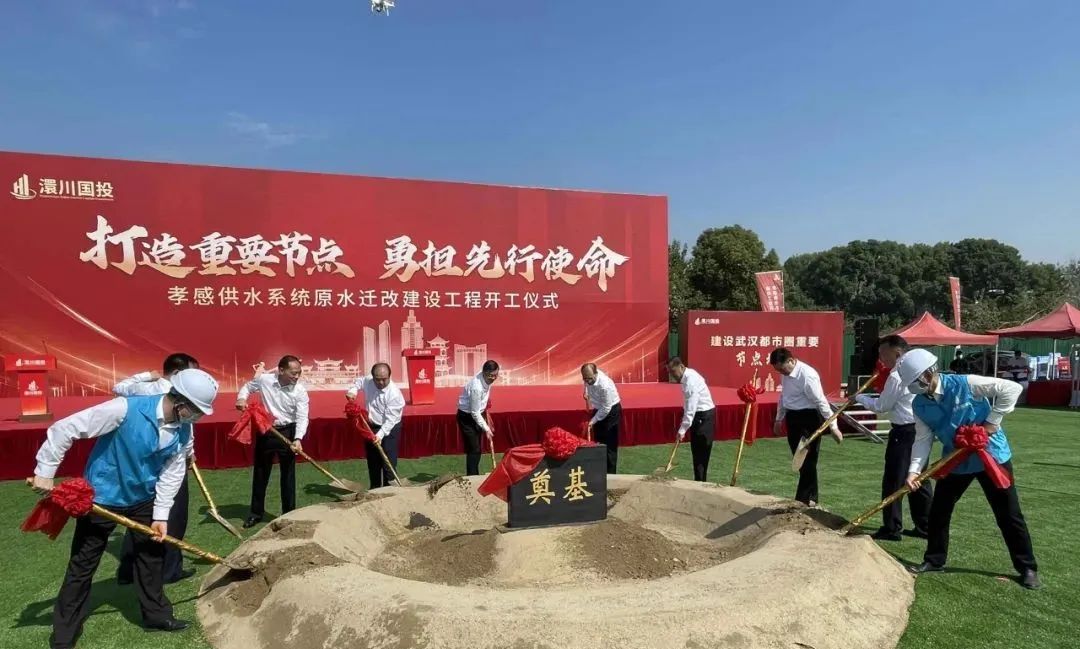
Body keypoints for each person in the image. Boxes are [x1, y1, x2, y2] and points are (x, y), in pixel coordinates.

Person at [28, 369, 219, 648]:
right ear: (180, 402)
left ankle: (156, 616)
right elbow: (64, 428)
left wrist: (160, 515)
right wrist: (45, 471)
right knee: (83, 564)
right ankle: (64, 634)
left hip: (143, 497)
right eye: (197, 411)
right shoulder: (124, 408)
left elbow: (172, 473)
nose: (198, 417)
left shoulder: (184, 429)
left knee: (151, 557)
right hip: (101, 496)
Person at [898, 348, 1041, 589]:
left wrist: (991, 422)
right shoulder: (919, 404)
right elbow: (922, 439)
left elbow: (1011, 388)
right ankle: (934, 560)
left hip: (991, 456)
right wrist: (914, 471)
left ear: (928, 373)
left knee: (1008, 513)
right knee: (939, 511)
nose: (914, 386)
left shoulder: (966, 384)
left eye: (916, 380)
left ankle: (1027, 567)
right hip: (955, 459)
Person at [112, 353, 200, 586]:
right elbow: (186, 428)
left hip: (142, 464)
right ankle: (170, 570)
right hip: (170, 458)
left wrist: (146, 376)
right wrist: (189, 452)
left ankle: (128, 570)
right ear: (178, 373)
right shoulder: (178, 394)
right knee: (174, 515)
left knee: (139, 514)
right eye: (192, 372)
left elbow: (118, 387)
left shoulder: (144, 388)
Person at [853, 336, 933, 541]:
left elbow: (882, 406)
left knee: (894, 480)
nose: (881, 358)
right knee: (919, 478)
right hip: (919, 430)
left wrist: (858, 397)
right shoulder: (918, 370)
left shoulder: (897, 375)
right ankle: (925, 526)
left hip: (904, 433)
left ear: (897, 353)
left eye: (883, 354)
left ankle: (892, 527)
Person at [237, 356, 310, 528]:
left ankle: (289, 514)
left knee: (288, 476)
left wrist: (298, 438)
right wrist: (241, 398)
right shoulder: (265, 380)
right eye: (293, 373)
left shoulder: (300, 391)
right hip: (267, 431)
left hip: (288, 432)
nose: (297, 376)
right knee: (261, 474)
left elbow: (302, 417)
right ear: (281, 370)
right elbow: (248, 387)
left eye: (299, 373)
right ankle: (256, 513)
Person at [770, 348, 842, 506]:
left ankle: (801, 499)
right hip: (793, 418)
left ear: (790, 360)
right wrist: (778, 419)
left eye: (782, 369)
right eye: (778, 370)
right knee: (799, 459)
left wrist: (833, 426)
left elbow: (820, 401)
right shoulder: (785, 374)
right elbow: (784, 397)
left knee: (807, 459)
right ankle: (812, 498)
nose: (782, 373)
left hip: (809, 419)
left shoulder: (807, 375)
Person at [346, 362, 405, 489]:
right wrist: (353, 390)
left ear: (389, 376)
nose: (381, 383)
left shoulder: (394, 394)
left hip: (390, 429)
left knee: (388, 462)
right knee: (373, 461)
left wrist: (379, 435)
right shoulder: (369, 381)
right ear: (373, 377)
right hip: (371, 426)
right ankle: (375, 488)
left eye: (384, 379)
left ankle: (390, 490)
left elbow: (390, 420)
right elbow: (360, 381)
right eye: (378, 380)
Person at [666, 357, 716, 481]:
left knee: (701, 455)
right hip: (700, 416)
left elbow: (691, 407)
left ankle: (700, 484)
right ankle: (699, 482)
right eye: (670, 372)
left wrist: (682, 429)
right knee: (698, 455)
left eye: (673, 371)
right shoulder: (688, 376)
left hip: (703, 417)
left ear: (681, 366)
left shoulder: (690, 381)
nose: (672, 375)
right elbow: (688, 405)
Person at [456, 360, 499, 476]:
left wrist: (485, 404)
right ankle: (472, 477)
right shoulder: (476, 388)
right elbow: (474, 412)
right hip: (467, 417)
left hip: (479, 413)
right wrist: (487, 429)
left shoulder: (487, 377)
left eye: (496, 375)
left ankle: (474, 474)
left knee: (476, 448)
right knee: (474, 450)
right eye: (491, 376)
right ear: (484, 373)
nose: (493, 378)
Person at [582, 363, 622, 474]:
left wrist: (593, 420)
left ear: (596, 373)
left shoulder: (605, 385)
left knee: (609, 446)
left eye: (590, 379)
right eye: (585, 378)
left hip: (611, 411)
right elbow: (586, 382)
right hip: (598, 407)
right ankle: (599, 471)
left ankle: (611, 475)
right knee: (598, 442)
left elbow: (606, 408)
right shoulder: (587, 377)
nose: (587, 381)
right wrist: (586, 392)